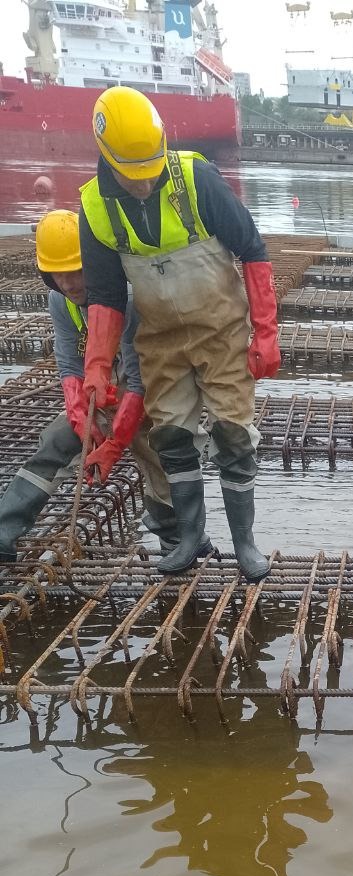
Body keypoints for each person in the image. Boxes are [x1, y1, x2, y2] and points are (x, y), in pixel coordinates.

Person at [78, 85, 281, 581]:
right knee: (171, 434)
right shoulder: (95, 208)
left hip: (222, 331)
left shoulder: (196, 179)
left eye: (150, 172)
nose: (145, 185)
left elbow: (252, 249)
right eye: (134, 177)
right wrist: (98, 364)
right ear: (108, 160)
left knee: (233, 432)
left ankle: (244, 544)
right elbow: (104, 295)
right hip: (161, 338)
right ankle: (189, 536)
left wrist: (265, 333)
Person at [0, 209, 178, 563]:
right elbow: (68, 364)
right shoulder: (60, 298)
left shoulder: (128, 296)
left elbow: (140, 382)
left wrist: (113, 446)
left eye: (77, 272)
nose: (68, 284)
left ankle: (178, 541)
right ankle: (5, 530)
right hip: (106, 376)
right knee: (58, 438)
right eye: (58, 275)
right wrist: (81, 421)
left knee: (155, 447)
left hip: (159, 375)